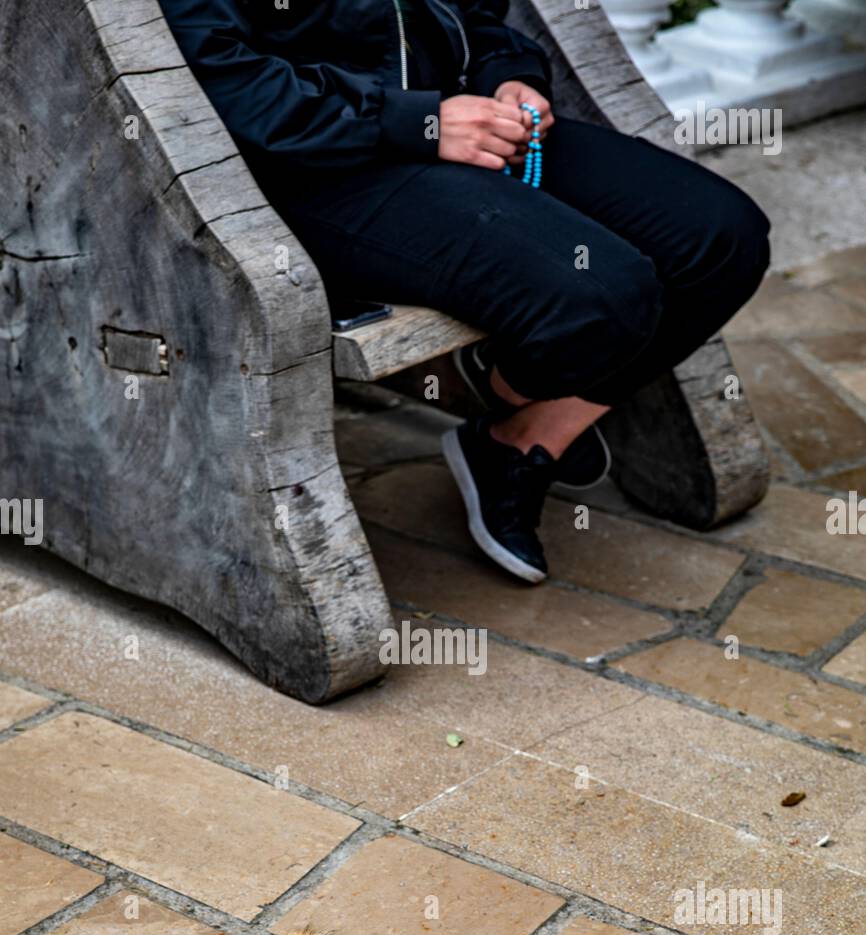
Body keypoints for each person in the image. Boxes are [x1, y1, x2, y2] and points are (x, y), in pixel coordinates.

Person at [159, 0, 771, 583]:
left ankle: (520, 441)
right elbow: (218, 79)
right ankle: (487, 385)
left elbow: (471, 12)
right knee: (600, 299)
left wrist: (508, 76)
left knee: (721, 239)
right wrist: (415, 121)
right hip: (316, 167)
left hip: (463, 126)